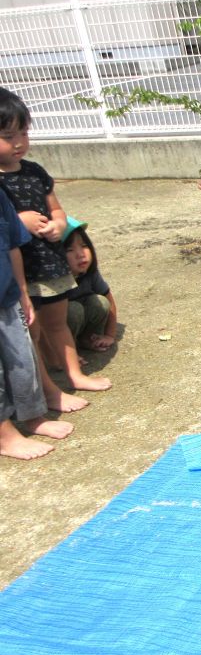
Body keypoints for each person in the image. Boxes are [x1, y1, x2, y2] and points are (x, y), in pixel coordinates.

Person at [0, 87, 107, 410]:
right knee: (30, 335)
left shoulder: (35, 173)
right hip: (22, 271)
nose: (19, 142)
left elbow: (57, 211)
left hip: (49, 263)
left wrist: (58, 225)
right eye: (8, 135)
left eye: (24, 133)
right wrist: (21, 222)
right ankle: (48, 390)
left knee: (58, 324)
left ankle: (74, 375)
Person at [0, 187, 74, 459]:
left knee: (22, 359)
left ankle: (34, 417)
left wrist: (21, 292)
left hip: (7, 295)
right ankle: (4, 436)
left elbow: (12, 245)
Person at [61, 216, 118, 353]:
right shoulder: (53, 282)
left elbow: (110, 301)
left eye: (84, 246)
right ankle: (67, 351)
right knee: (73, 310)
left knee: (101, 303)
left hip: (81, 318)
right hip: (58, 332)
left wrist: (110, 335)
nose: (80, 254)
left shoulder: (90, 273)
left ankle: (88, 339)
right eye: (69, 249)